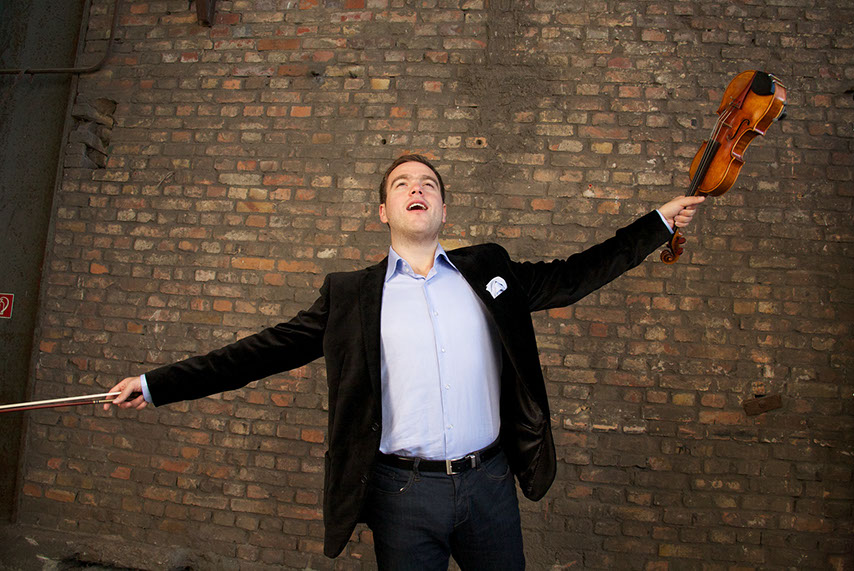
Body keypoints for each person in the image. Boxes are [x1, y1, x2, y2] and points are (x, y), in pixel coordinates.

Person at [106, 154, 704, 570]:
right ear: (384, 212)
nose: (417, 189)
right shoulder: (350, 296)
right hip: (402, 494)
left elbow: (576, 276)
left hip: (490, 485)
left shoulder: (488, 269)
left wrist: (657, 224)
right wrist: (155, 385)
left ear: (443, 209)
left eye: (428, 184)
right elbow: (255, 354)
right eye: (401, 184)